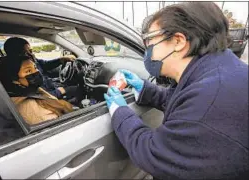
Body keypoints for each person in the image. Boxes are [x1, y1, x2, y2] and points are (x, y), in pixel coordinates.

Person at [104, 2, 248, 179]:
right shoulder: (217, 69)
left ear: (178, 41)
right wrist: (146, 90)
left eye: (149, 41)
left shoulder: (210, 101)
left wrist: (120, 112)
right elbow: (186, 100)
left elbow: (153, 153)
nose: (147, 51)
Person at [0, 55, 74, 125]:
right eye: (28, 71)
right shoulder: (29, 107)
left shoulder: (31, 89)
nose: (36, 72)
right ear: (14, 79)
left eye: (35, 67)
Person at [3, 37, 82, 102]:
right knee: (78, 89)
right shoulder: (16, 75)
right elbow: (39, 96)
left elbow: (44, 64)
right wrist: (60, 91)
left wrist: (61, 59)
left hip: (50, 87)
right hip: (47, 96)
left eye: (31, 51)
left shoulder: (31, 61)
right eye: (24, 53)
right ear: (15, 56)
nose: (30, 55)